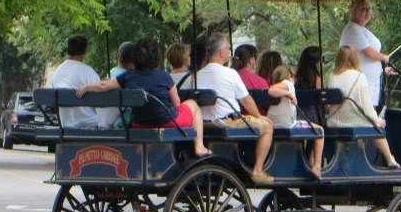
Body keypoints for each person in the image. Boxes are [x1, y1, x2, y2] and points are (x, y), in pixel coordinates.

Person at [77, 40, 210, 157]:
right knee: (193, 104)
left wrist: (86, 87)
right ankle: (199, 146)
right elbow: (176, 103)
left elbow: (103, 85)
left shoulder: (128, 76)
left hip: (139, 123)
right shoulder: (164, 77)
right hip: (166, 121)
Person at [195, 33, 274, 183]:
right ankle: (258, 170)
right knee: (268, 126)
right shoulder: (230, 73)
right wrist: (259, 116)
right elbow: (246, 100)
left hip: (204, 124)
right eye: (228, 48)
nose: (229, 52)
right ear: (221, 52)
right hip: (227, 122)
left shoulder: (197, 75)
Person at [327, 46, 400, 168]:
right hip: (354, 120)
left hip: (334, 121)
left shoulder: (332, 76)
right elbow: (366, 105)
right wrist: (376, 120)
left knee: (374, 124)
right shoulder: (359, 76)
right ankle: (389, 159)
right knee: (377, 129)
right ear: (355, 59)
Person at [267, 65, 324, 180]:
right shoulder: (287, 84)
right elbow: (271, 90)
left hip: (273, 124)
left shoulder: (282, 87)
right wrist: (289, 94)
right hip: (287, 124)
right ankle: (317, 166)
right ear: (289, 76)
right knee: (319, 130)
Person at [339, 0, 391, 110]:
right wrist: (384, 57)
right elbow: (368, 52)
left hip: (372, 83)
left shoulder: (362, 30)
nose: (367, 12)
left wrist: (383, 70)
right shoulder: (352, 29)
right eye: (364, 9)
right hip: (361, 85)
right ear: (354, 12)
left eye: (369, 9)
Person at [50, 34, 101, 128]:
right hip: (90, 124)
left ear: (68, 50)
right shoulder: (88, 72)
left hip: (66, 126)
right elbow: (100, 99)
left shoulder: (57, 72)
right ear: (84, 52)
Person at [294, 45, 324, 125]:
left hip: (298, 116)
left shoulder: (296, 78)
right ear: (317, 62)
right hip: (315, 119)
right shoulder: (317, 78)